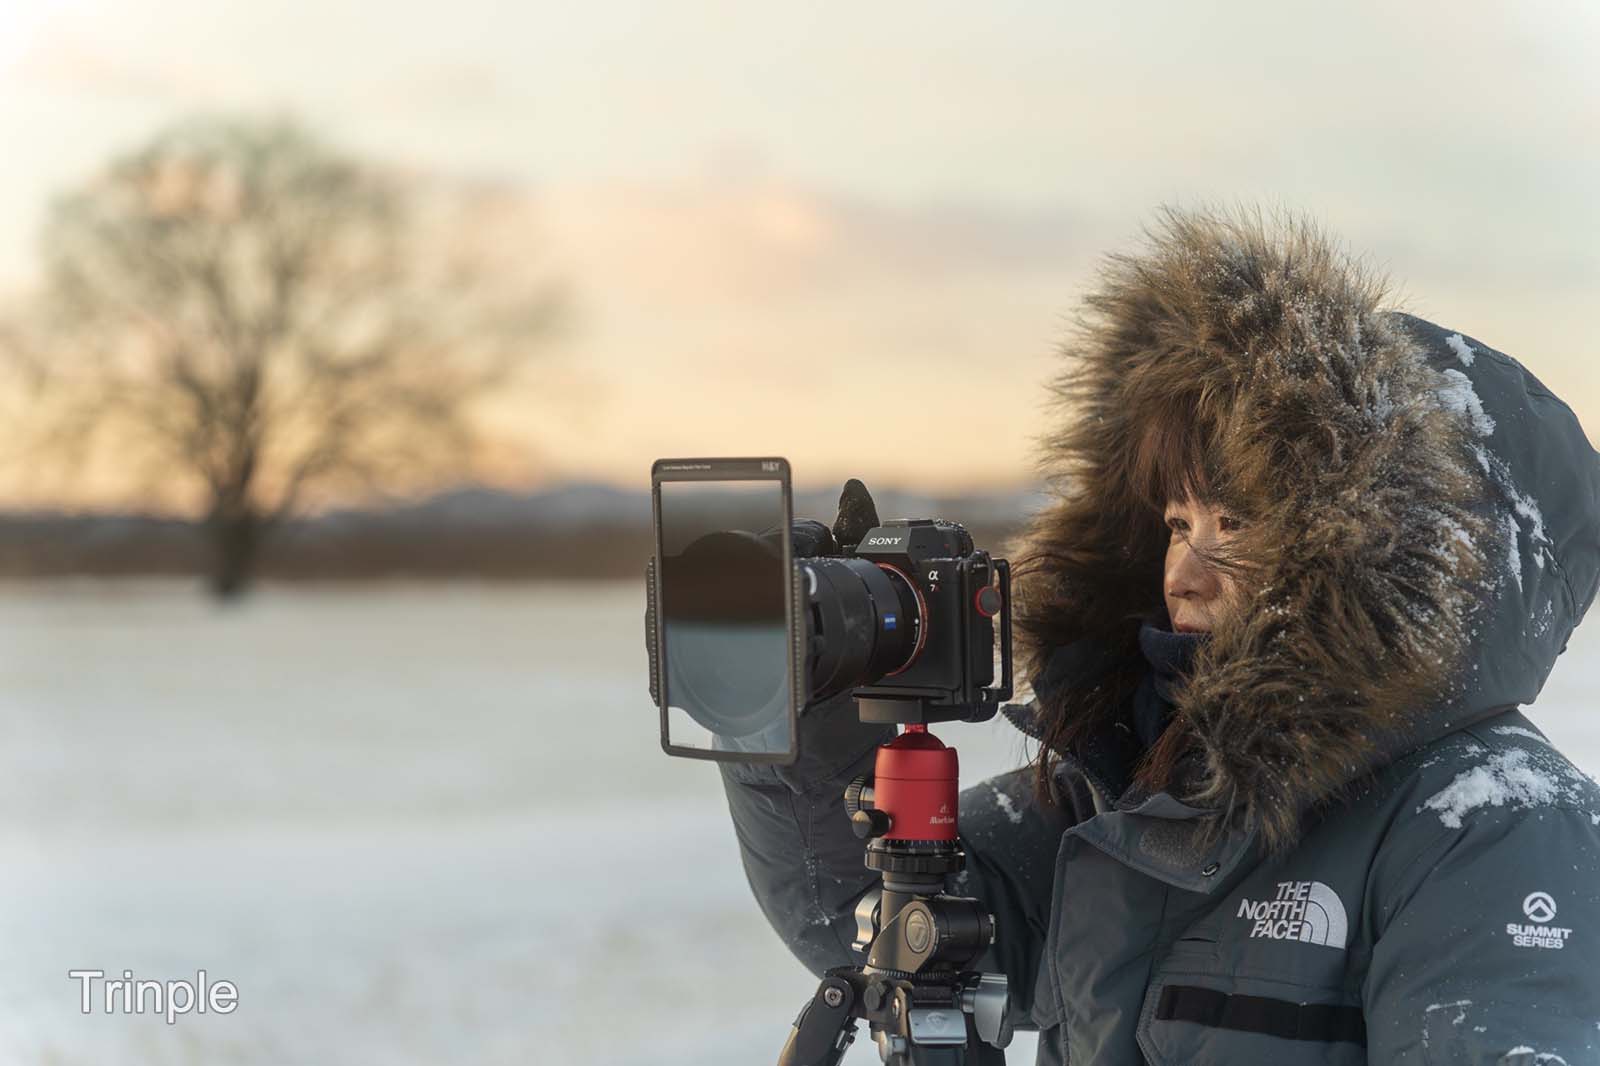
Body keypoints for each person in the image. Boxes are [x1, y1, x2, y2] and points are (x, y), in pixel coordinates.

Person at [716, 205, 1600, 1064]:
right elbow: (881, 925)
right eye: (1177, 524)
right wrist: (790, 708)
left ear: (1378, 544)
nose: (1183, 573)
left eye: (1239, 524)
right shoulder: (1126, 789)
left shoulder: (1495, 828)